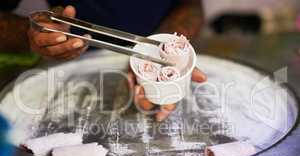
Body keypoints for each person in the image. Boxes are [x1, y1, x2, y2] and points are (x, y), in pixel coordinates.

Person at [0, 0, 207, 121]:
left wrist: (168, 51)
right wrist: (30, 34)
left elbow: (191, 3)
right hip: (68, 60)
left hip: (151, 47)